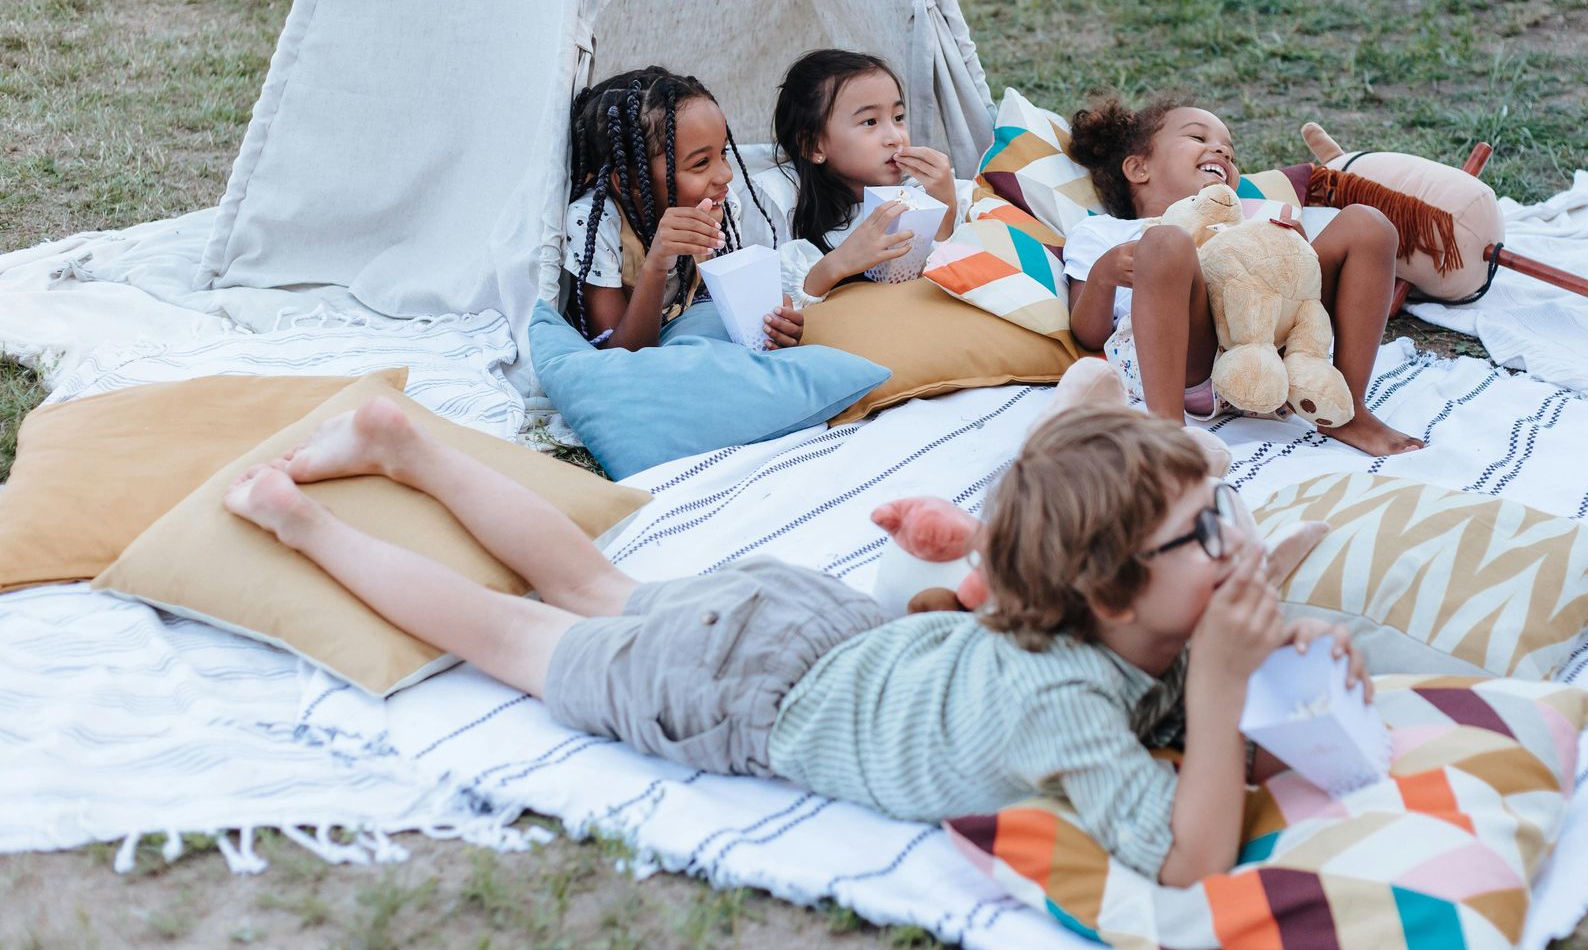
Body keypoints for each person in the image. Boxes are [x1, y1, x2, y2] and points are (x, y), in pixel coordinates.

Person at [222, 398, 1368, 887]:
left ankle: (402, 444)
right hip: (746, 693)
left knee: (592, 580)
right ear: (1111, 596)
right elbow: (1187, 860)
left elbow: (1188, 690)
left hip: (818, 623)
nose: (1238, 537)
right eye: (1205, 528)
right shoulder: (1061, 699)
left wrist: (1284, 654)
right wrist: (1223, 685)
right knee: (516, 631)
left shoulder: (1128, 632)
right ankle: (302, 518)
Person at [1063, 95, 1424, 457]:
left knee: (1369, 224)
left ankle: (1347, 410)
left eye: (1229, 151)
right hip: (1192, 364)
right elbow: (1087, 333)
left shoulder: (1244, 222)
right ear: (1139, 169)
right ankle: (1168, 433)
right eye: (1198, 138)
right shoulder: (1103, 233)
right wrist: (1103, 274)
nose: (1221, 150)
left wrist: (1289, 255)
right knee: (1166, 242)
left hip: (1275, 356)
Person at [563, 66, 800, 352]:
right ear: (636, 180)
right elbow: (621, 354)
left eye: (723, 153)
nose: (725, 175)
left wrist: (774, 323)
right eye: (701, 163)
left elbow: (730, 309)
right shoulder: (595, 223)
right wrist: (658, 261)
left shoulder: (720, 207)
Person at [741, 49, 971, 307]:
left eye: (898, 118)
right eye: (870, 121)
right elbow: (760, 303)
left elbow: (944, 280)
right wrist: (840, 262)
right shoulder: (776, 202)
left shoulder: (917, 190)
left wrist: (945, 211)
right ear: (814, 147)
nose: (895, 137)